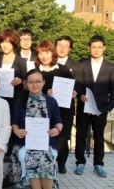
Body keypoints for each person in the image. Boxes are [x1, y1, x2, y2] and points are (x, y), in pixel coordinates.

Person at [12, 69, 63, 189]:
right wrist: (17, 131)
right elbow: (14, 123)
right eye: (31, 82)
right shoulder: (21, 101)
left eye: (38, 81)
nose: (34, 85)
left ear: (44, 82)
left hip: (46, 145)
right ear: (26, 83)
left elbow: (59, 122)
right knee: (31, 159)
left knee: (46, 159)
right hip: (25, 144)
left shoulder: (51, 101)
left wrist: (57, 129)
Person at [34, 40, 77, 176]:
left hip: (64, 112)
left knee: (61, 140)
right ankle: (48, 170)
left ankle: (60, 164)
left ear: (52, 53)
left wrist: (74, 92)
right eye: (41, 53)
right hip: (42, 113)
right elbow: (28, 91)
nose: (44, 56)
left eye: (46, 52)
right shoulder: (34, 72)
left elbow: (75, 85)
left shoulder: (63, 69)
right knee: (46, 141)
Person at [74, 35, 114, 177]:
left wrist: (108, 107)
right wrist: (80, 95)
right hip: (84, 107)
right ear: (89, 48)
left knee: (99, 136)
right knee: (81, 135)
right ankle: (80, 162)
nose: (96, 50)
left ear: (104, 48)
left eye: (99, 47)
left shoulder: (110, 67)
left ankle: (98, 164)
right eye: (93, 47)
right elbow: (77, 85)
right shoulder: (82, 65)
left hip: (101, 108)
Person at [0, 29, 27, 156]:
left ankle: (11, 156)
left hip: (15, 100)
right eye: (2, 42)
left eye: (8, 42)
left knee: (12, 126)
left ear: (13, 43)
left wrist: (21, 80)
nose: (4, 45)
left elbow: (26, 81)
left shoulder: (21, 61)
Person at [55, 35, 84, 174]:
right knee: (51, 134)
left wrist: (75, 91)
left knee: (64, 136)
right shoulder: (50, 62)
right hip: (52, 105)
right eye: (59, 45)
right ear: (55, 47)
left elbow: (78, 83)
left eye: (65, 45)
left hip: (67, 107)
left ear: (70, 48)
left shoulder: (76, 65)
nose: (62, 48)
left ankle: (61, 164)